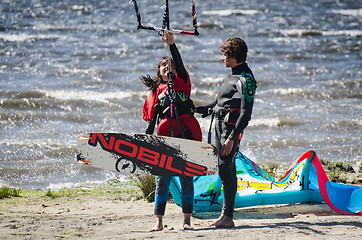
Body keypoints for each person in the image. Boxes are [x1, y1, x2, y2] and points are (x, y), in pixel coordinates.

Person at [141, 32, 202, 231]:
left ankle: (187, 221)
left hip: (186, 137)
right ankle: (158, 221)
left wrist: (172, 45)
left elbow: (180, 65)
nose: (168, 67)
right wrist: (146, 142)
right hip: (165, 138)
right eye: (164, 66)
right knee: (162, 180)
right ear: (159, 72)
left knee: (187, 179)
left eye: (171, 65)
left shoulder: (182, 81)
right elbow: (151, 123)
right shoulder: (156, 91)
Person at [196, 37, 257, 228]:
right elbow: (216, 105)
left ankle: (228, 217)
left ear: (234, 56)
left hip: (230, 131)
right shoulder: (229, 77)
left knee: (226, 168)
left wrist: (232, 138)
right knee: (224, 169)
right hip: (219, 127)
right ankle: (225, 217)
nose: (223, 58)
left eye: (225, 55)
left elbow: (246, 115)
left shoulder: (246, 79)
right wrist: (194, 109)